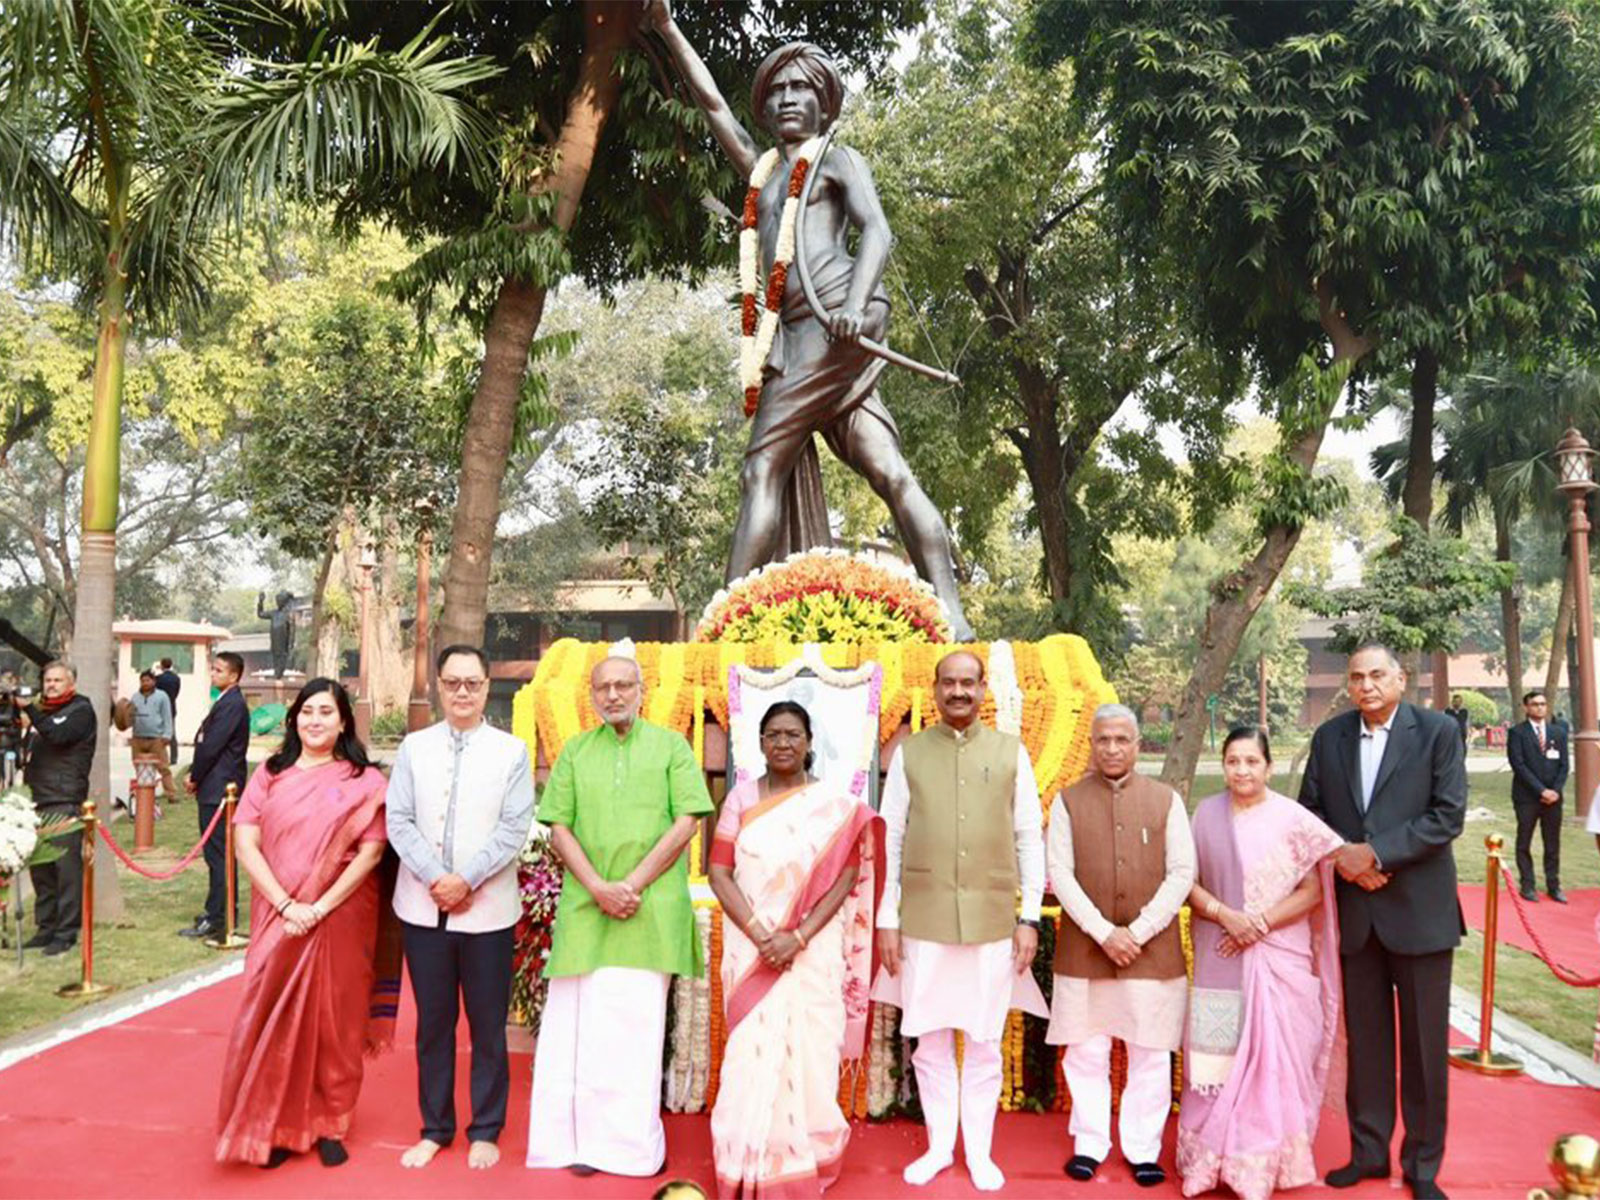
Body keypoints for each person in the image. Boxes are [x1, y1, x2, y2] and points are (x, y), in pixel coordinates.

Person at [647, 0, 975, 641]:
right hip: (793, 340)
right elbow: (714, 107)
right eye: (778, 91)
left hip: (833, 329)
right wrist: (665, 26)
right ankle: (953, 616)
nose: (789, 99)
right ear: (765, 109)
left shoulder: (837, 160)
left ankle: (725, 622)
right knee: (887, 469)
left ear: (825, 104)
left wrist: (854, 305)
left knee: (760, 468)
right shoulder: (765, 172)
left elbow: (877, 231)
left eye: (803, 88)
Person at [527, 655, 714, 1178]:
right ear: (591, 695)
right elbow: (558, 826)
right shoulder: (576, 752)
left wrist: (630, 885)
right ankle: (577, 1143)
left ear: (642, 690)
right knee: (578, 1031)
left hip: (649, 907)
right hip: (588, 906)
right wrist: (597, 887)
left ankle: (630, 1148)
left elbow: (688, 822)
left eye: (622, 685)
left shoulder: (671, 747)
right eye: (603, 687)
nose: (613, 695)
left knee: (634, 1030)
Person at [875, 650, 1047, 1192]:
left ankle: (979, 1152)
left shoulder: (1011, 752)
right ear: (934, 689)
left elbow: (1029, 840)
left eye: (968, 683)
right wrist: (886, 919)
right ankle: (938, 1148)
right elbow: (891, 838)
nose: (958, 692)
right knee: (929, 1042)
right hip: (923, 922)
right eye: (948, 683)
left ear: (981, 690)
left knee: (983, 1043)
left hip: (992, 923)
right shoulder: (908, 755)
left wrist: (1029, 919)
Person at [1299, 644, 1465, 1200]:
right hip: (1357, 913)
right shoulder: (1331, 739)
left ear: (1400, 679)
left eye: (1377, 675)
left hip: (1420, 913)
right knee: (1367, 1046)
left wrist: (1374, 854)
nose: (1366, 685)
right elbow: (1311, 814)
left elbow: (1447, 815)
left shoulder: (1438, 732)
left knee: (1423, 1049)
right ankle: (1367, 1153)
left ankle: (1421, 1167)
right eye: (1356, 677)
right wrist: (1348, 858)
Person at [215, 678, 396, 1168]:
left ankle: (331, 1122)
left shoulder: (365, 781)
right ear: (295, 718)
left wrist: (319, 906)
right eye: (307, 711)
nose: (315, 720)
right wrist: (286, 904)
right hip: (277, 917)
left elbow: (371, 851)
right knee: (269, 1018)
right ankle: (271, 1127)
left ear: (343, 723)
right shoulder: (270, 773)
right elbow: (245, 842)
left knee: (336, 1022)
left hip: (341, 918)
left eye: (326, 712)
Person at [707, 700, 883, 1197]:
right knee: (749, 1053)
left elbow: (847, 875)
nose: (783, 743)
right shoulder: (740, 800)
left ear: (809, 743)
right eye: (773, 735)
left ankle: (800, 1161)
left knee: (811, 1051)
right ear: (759, 743)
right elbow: (719, 871)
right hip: (752, 947)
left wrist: (798, 937)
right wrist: (762, 935)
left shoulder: (833, 805)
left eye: (792, 735)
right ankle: (745, 1162)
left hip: (812, 950)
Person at [1176, 726, 1344, 1200]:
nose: (1242, 771)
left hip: (1279, 955)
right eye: (1233, 761)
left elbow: (1312, 892)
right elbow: (1187, 882)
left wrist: (1259, 924)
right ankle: (1208, 1161)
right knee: (1215, 1058)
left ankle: (1261, 1162)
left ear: (1269, 766)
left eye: (1252, 762)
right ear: (1223, 764)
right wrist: (1229, 918)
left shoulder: (1294, 819)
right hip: (1219, 952)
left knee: (1277, 1060)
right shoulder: (1207, 815)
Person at [388, 644, 534, 1171]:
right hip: (423, 909)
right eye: (453, 683)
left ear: (487, 686)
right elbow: (398, 820)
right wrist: (437, 878)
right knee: (433, 1024)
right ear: (439, 687)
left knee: (488, 1025)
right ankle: (435, 1127)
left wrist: (466, 880)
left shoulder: (510, 752)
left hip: (489, 911)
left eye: (472, 683)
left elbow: (513, 828)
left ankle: (486, 1128)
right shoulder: (413, 749)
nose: (463, 693)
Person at [1047, 704, 1195, 1189]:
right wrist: (1104, 933)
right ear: (1092, 744)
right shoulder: (1067, 802)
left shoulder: (1165, 799)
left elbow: (1181, 874)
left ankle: (1142, 1148)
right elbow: (1060, 876)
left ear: (1137, 744)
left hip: (1152, 952)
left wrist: (1140, 931)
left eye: (1121, 740)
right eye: (1103, 740)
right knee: (1086, 1052)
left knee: (1149, 1052)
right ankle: (1090, 1143)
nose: (1112, 748)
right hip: (1086, 949)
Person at [21, 661, 96, 956]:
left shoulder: (80, 710)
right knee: (41, 869)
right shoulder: (46, 713)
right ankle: (46, 927)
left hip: (64, 800)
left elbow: (58, 736)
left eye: (57, 680)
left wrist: (30, 709)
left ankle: (66, 932)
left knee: (65, 871)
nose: (50, 684)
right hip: (37, 799)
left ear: (71, 683)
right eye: (47, 680)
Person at [182, 652, 250, 940]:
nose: (213, 674)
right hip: (215, 786)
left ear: (234, 676)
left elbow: (211, 747)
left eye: (219, 670)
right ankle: (217, 909)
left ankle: (220, 917)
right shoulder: (225, 702)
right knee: (216, 856)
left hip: (220, 789)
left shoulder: (233, 704)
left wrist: (195, 776)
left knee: (219, 856)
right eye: (213, 669)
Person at [1506, 689, 1569, 903]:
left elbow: (1564, 766)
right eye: (1535, 704)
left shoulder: (1558, 733)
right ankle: (1528, 885)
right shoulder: (1517, 733)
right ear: (1526, 707)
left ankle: (1554, 885)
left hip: (1553, 798)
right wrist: (1541, 790)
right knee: (1524, 841)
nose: (1540, 707)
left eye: (1543, 704)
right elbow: (1519, 765)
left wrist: (1555, 791)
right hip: (1527, 797)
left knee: (1552, 843)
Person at [127, 669, 179, 806]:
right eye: (142, 681)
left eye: (148, 680)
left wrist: (167, 735)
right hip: (138, 738)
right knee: (139, 767)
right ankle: (143, 794)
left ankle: (171, 794)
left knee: (163, 768)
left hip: (157, 738)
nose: (145, 683)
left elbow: (167, 716)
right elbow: (129, 716)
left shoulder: (162, 696)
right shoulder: (135, 697)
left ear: (154, 681)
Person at [154, 656, 181, 765]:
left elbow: (155, 693)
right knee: (172, 733)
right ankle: (174, 758)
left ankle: (160, 757)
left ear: (161, 665)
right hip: (171, 707)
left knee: (158, 732)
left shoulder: (158, 678)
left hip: (159, 708)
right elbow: (176, 693)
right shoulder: (176, 678)